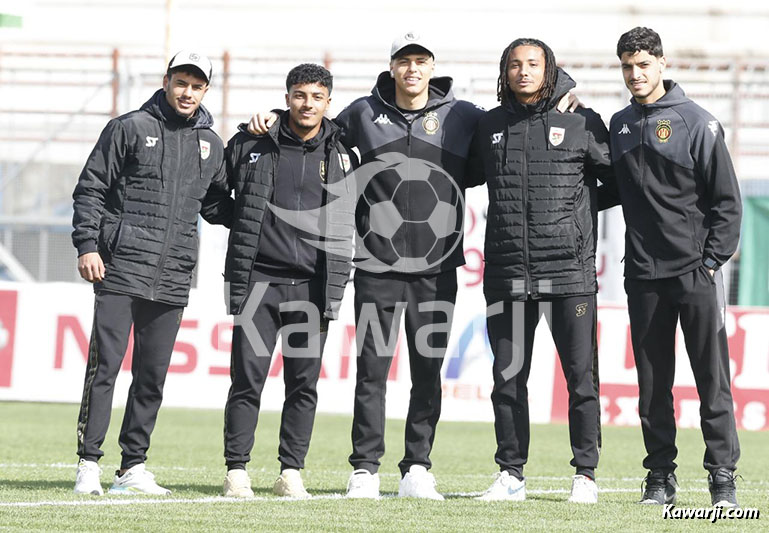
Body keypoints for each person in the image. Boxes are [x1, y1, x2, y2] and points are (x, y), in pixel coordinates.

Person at [249, 32, 577, 500]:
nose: (413, 70)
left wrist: (562, 89)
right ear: (393, 67)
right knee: (372, 371)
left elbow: (517, 116)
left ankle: (417, 468)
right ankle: (364, 468)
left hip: (437, 270)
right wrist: (273, 118)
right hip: (376, 268)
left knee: (427, 371)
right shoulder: (363, 113)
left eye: (421, 61)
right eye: (405, 61)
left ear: (432, 67)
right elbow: (314, 130)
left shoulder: (462, 116)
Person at [71, 50, 232, 495]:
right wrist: (87, 245)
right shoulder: (129, 127)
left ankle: (132, 467)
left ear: (205, 91)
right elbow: (91, 189)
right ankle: (89, 462)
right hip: (119, 267)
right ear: (166, 82)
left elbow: (218, 205)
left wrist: (262, 211)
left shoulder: (211, 144)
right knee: (105, 369)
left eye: (197, 86)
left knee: (152, 375)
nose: (188, 92)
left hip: (173, 273)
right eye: (181, 82)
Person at [468, 38, 614, 504]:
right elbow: (456, 171)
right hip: (508, 273)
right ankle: (510, 474)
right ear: (504, 71)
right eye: (515, 64)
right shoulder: (488, 125)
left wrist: (577, 217)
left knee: (581, 378)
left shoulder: (582, 120)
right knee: (508, 379)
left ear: (549, 69)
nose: (523, 71)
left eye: (533, 64)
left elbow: (618, 180)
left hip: (568, 274)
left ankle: (585, 475)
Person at [605, 27, 742, 508]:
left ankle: (722, 477)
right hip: (643, 276)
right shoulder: (618, 124)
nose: (635, 74)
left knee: (712, 380)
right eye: (626, 65)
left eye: (643, 64)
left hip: (695, 274)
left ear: (661, 63)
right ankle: (660, 477)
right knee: (652, 385)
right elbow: (604, 187)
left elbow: (728, 203)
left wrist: (708, 264)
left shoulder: (697, 123)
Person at [220, 64, 355, 499]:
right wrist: (245, 224)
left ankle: (290, 471)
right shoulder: (250, 142)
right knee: (247, 381)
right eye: (300, 95)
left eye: (317, 96)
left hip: (312, 287)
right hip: (259, 282)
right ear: (287, 97)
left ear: (328, 102)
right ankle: (237, 471)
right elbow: (214, 195)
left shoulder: (344, 152)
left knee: (303, 385)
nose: (307, 104)